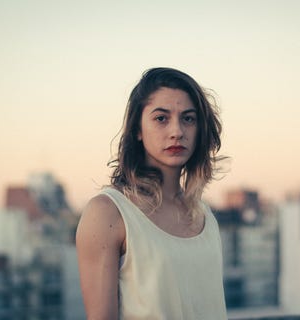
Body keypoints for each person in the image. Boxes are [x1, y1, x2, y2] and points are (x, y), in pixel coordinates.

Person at [76, 67, 228, 319]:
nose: (177, 131)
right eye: (161, 118)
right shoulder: (107, 213)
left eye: (188, 118)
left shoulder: (205, 216)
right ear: (137, 129)